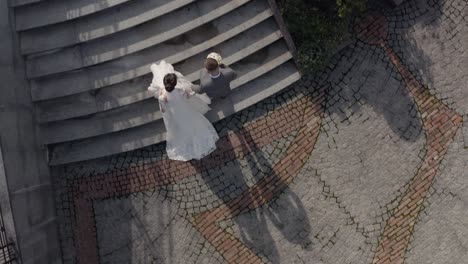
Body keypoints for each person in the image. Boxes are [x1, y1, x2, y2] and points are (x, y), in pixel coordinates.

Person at [147, 60, 219, 161]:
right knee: (192, 121)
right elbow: (189, 96)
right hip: (185, 109)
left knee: (181, 126)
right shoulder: (180, 90)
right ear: (175, 83)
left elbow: (163, 110)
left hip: (176, 113)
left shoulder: (162, 97)